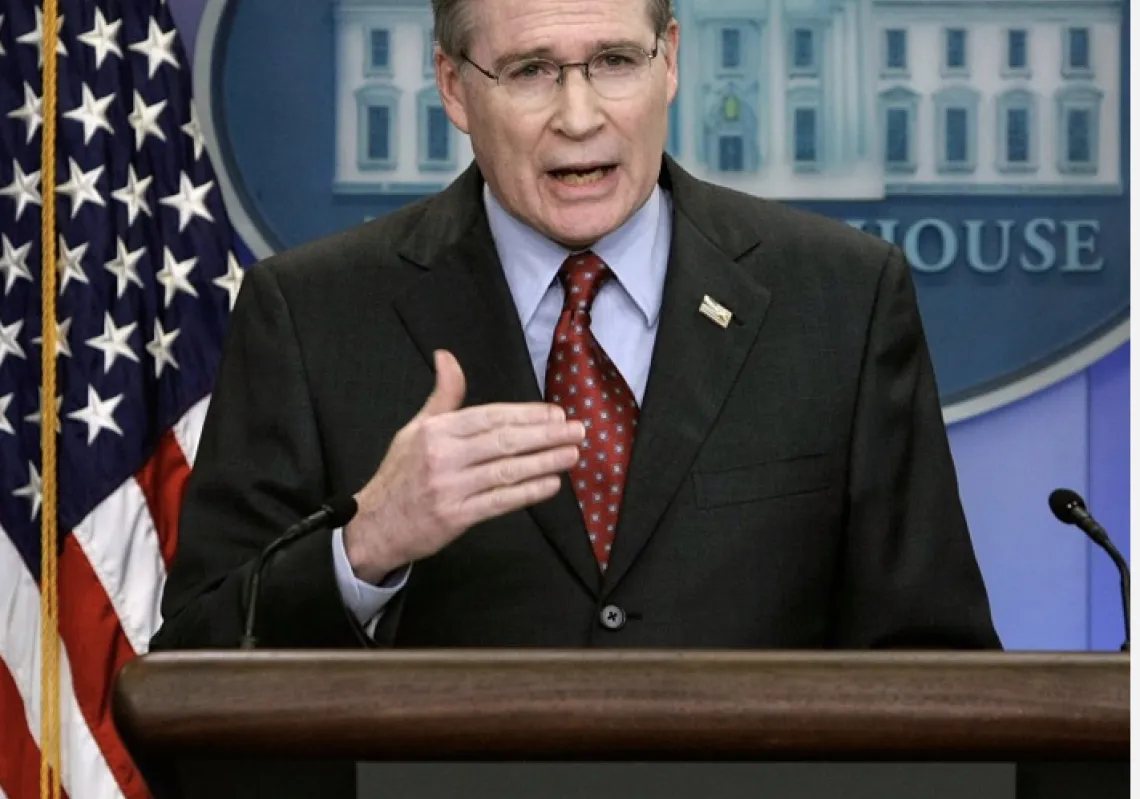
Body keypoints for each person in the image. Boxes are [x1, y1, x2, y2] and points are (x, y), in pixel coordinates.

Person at [151, 0, 1000, 655]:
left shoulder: (840, 298)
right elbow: (191, 659)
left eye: (615, 61)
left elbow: (934, 661)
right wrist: (367, 542)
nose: (581, 115)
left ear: (671, 59)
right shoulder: (311, 314)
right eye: (530, 71)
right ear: (453, 86)